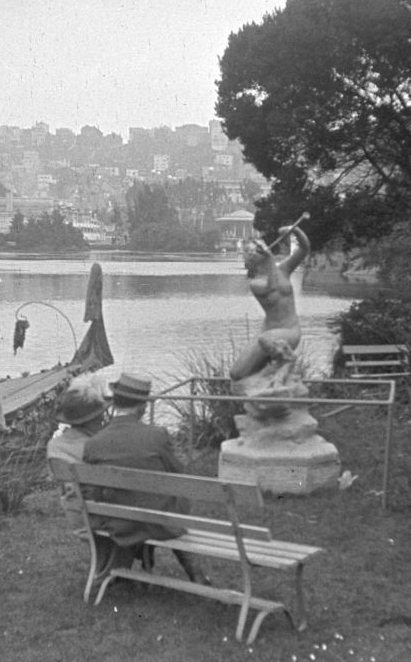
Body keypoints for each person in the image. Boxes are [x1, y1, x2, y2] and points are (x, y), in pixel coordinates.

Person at [82, 372, 210, 585]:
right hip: (157, 524)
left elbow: (91, 490)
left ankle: (139, 561)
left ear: (114, 402)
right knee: (175, 502)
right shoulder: (157, 436)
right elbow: (178, 475)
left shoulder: (93, 443)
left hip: (117, 524)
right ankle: (195, 573)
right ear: (142, 406)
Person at [229, 222, 311, 382]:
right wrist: (270, 259)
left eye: (257, 247)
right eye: (248, 251)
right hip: (268, 331)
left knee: (266, 339)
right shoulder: (256, 283)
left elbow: (304, 248)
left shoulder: (284, 269)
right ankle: (266, 377)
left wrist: (295, 231)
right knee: (237, 373)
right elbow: (271, 286)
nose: (253, 251)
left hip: (290, 330)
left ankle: (287, 365)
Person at [46, 374, 109, 528]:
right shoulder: (100, 447)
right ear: (95, 418)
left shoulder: (54, 446)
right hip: (107, 521)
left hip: (79, 520)